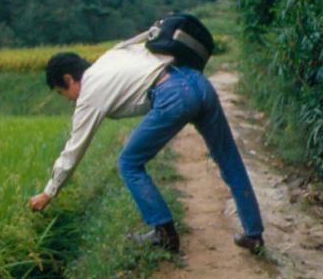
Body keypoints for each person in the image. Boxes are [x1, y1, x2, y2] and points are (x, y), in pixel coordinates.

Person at [27, 29, 265, 253]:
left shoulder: (89, 93)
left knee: (128, 163)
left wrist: (49, 192)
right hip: (198, 82)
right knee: (228, 158)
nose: (69, 100)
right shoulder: (111, 56)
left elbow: (74, 149)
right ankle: (253, 234)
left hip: (173, 94)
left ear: (69, 79)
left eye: (63, 93)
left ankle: (164, 233)